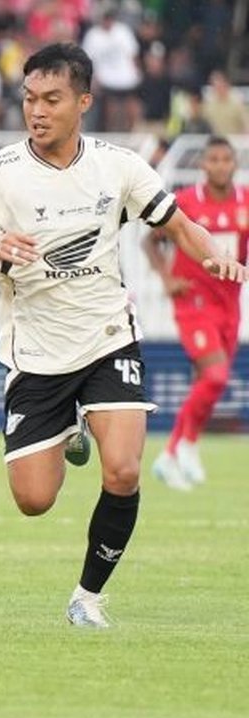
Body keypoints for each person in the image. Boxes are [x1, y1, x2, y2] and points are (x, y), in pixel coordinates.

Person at [0, 43, 246, 628]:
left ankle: (87, 597)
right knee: (33, 501)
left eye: (52, 99)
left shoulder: (117, 166)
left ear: (83, 102)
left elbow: (177, 223)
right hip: (36, 350)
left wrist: (214, 254)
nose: (37, 111)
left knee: (122, 471)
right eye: (29, 99)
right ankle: (70, 430)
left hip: (108, 335)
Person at [143, 136, 248, 490]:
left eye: (225, 159)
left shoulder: (245, 203)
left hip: (230, 305)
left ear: (234, 164)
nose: (219, 165)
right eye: (213, 159)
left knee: (212, 382)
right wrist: (166, 276)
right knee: (216, 376)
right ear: (203, 165)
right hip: (194, 302)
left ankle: (174, 452)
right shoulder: (187, 202)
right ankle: (184, 447)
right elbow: (151, 240)